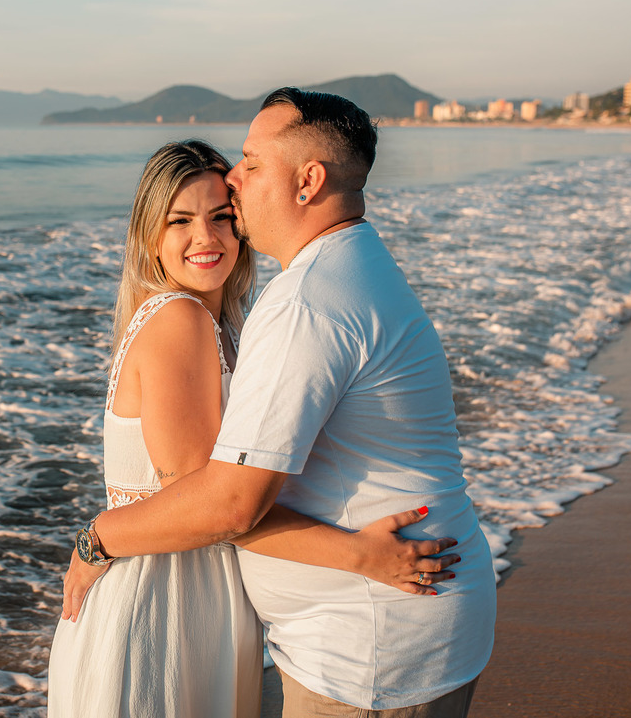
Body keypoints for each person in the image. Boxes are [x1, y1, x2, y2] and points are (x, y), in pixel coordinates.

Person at [62, 90, 497, 716]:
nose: (235, 181)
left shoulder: (306, 302)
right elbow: (211, 493)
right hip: (359, 628)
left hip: (369, 644)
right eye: (180, 219)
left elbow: (227, 503)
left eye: (251, 162)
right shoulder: (348, 269)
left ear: (308, 180)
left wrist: (96, 536)